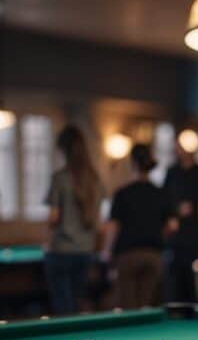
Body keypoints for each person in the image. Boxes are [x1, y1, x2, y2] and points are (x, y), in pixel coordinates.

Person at [102, 145, 176, 309]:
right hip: (154, 256)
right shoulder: (161, 193)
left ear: (132, 164)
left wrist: (107, 252)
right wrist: (156, 235)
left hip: (128, 256)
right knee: (145, 307)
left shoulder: (122, 193)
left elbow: (113, 226)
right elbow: (172, 226)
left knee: (128, 307)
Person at [43, 125, 104, 314]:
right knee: (77, 303)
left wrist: (45, 241)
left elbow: (53, 218)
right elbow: (98, 219)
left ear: (63, 150)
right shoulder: (95, 179)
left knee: (62, 306)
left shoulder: (60, 178)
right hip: (85, 250)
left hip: (61, 251)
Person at [163, 138, 198, 302]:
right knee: (173, 277)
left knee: (194, 275)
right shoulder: (171, 172)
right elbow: (164, 201)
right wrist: (172, 216)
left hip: (195, 233)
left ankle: (195, 309)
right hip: (175, 234)